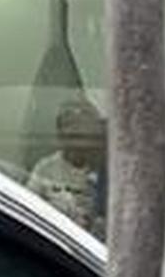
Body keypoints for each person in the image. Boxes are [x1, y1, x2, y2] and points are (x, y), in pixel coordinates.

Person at [27, 98, 107, 235]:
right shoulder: (45, 168)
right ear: (60, 135)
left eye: (82, 135)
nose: (77, 143)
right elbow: (28, 211)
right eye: (71, 135)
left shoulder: (104, 171)